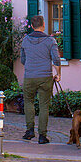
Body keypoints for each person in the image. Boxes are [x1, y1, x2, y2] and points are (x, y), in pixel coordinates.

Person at [20, 14, 61, 143]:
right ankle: (42, 136)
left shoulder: (25, 40)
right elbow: (56, 59)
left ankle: (29, 131)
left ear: (32, 26)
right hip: (45, 76)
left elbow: (23, 60)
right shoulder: (50, 41)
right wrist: (58, 74)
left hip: (29, 77)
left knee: (28, 102)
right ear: (43, 25)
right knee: (44, 106)